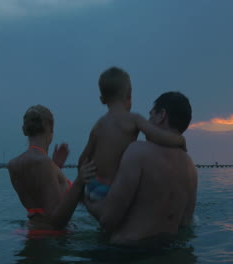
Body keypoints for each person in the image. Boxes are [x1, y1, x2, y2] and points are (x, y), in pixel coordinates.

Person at [85, 92, 198, 247]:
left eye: (151, 115)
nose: (148, 121)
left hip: (128, 253)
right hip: (168, 252)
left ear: (161, 115)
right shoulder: (191, 167)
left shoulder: (138, 152)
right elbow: (186, 224)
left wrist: (84, 199)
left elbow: (108, 219)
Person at [79, 67, 186, 201]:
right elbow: (157, 136)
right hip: (110, 190)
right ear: (129, 95)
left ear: (102, 99)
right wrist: (180, 141)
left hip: (92, 187)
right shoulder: (133, 119)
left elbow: (83, 158)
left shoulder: (98, 125)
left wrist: (83, 186)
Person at [9, 105, 96, 231]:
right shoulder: (44, 163)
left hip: (30, 232)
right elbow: (57, 221)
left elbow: (39, 204)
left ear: (25, 130)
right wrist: (80, 181)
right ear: (50, 129)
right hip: (53, 240)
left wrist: (56, 167)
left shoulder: (13, 165)